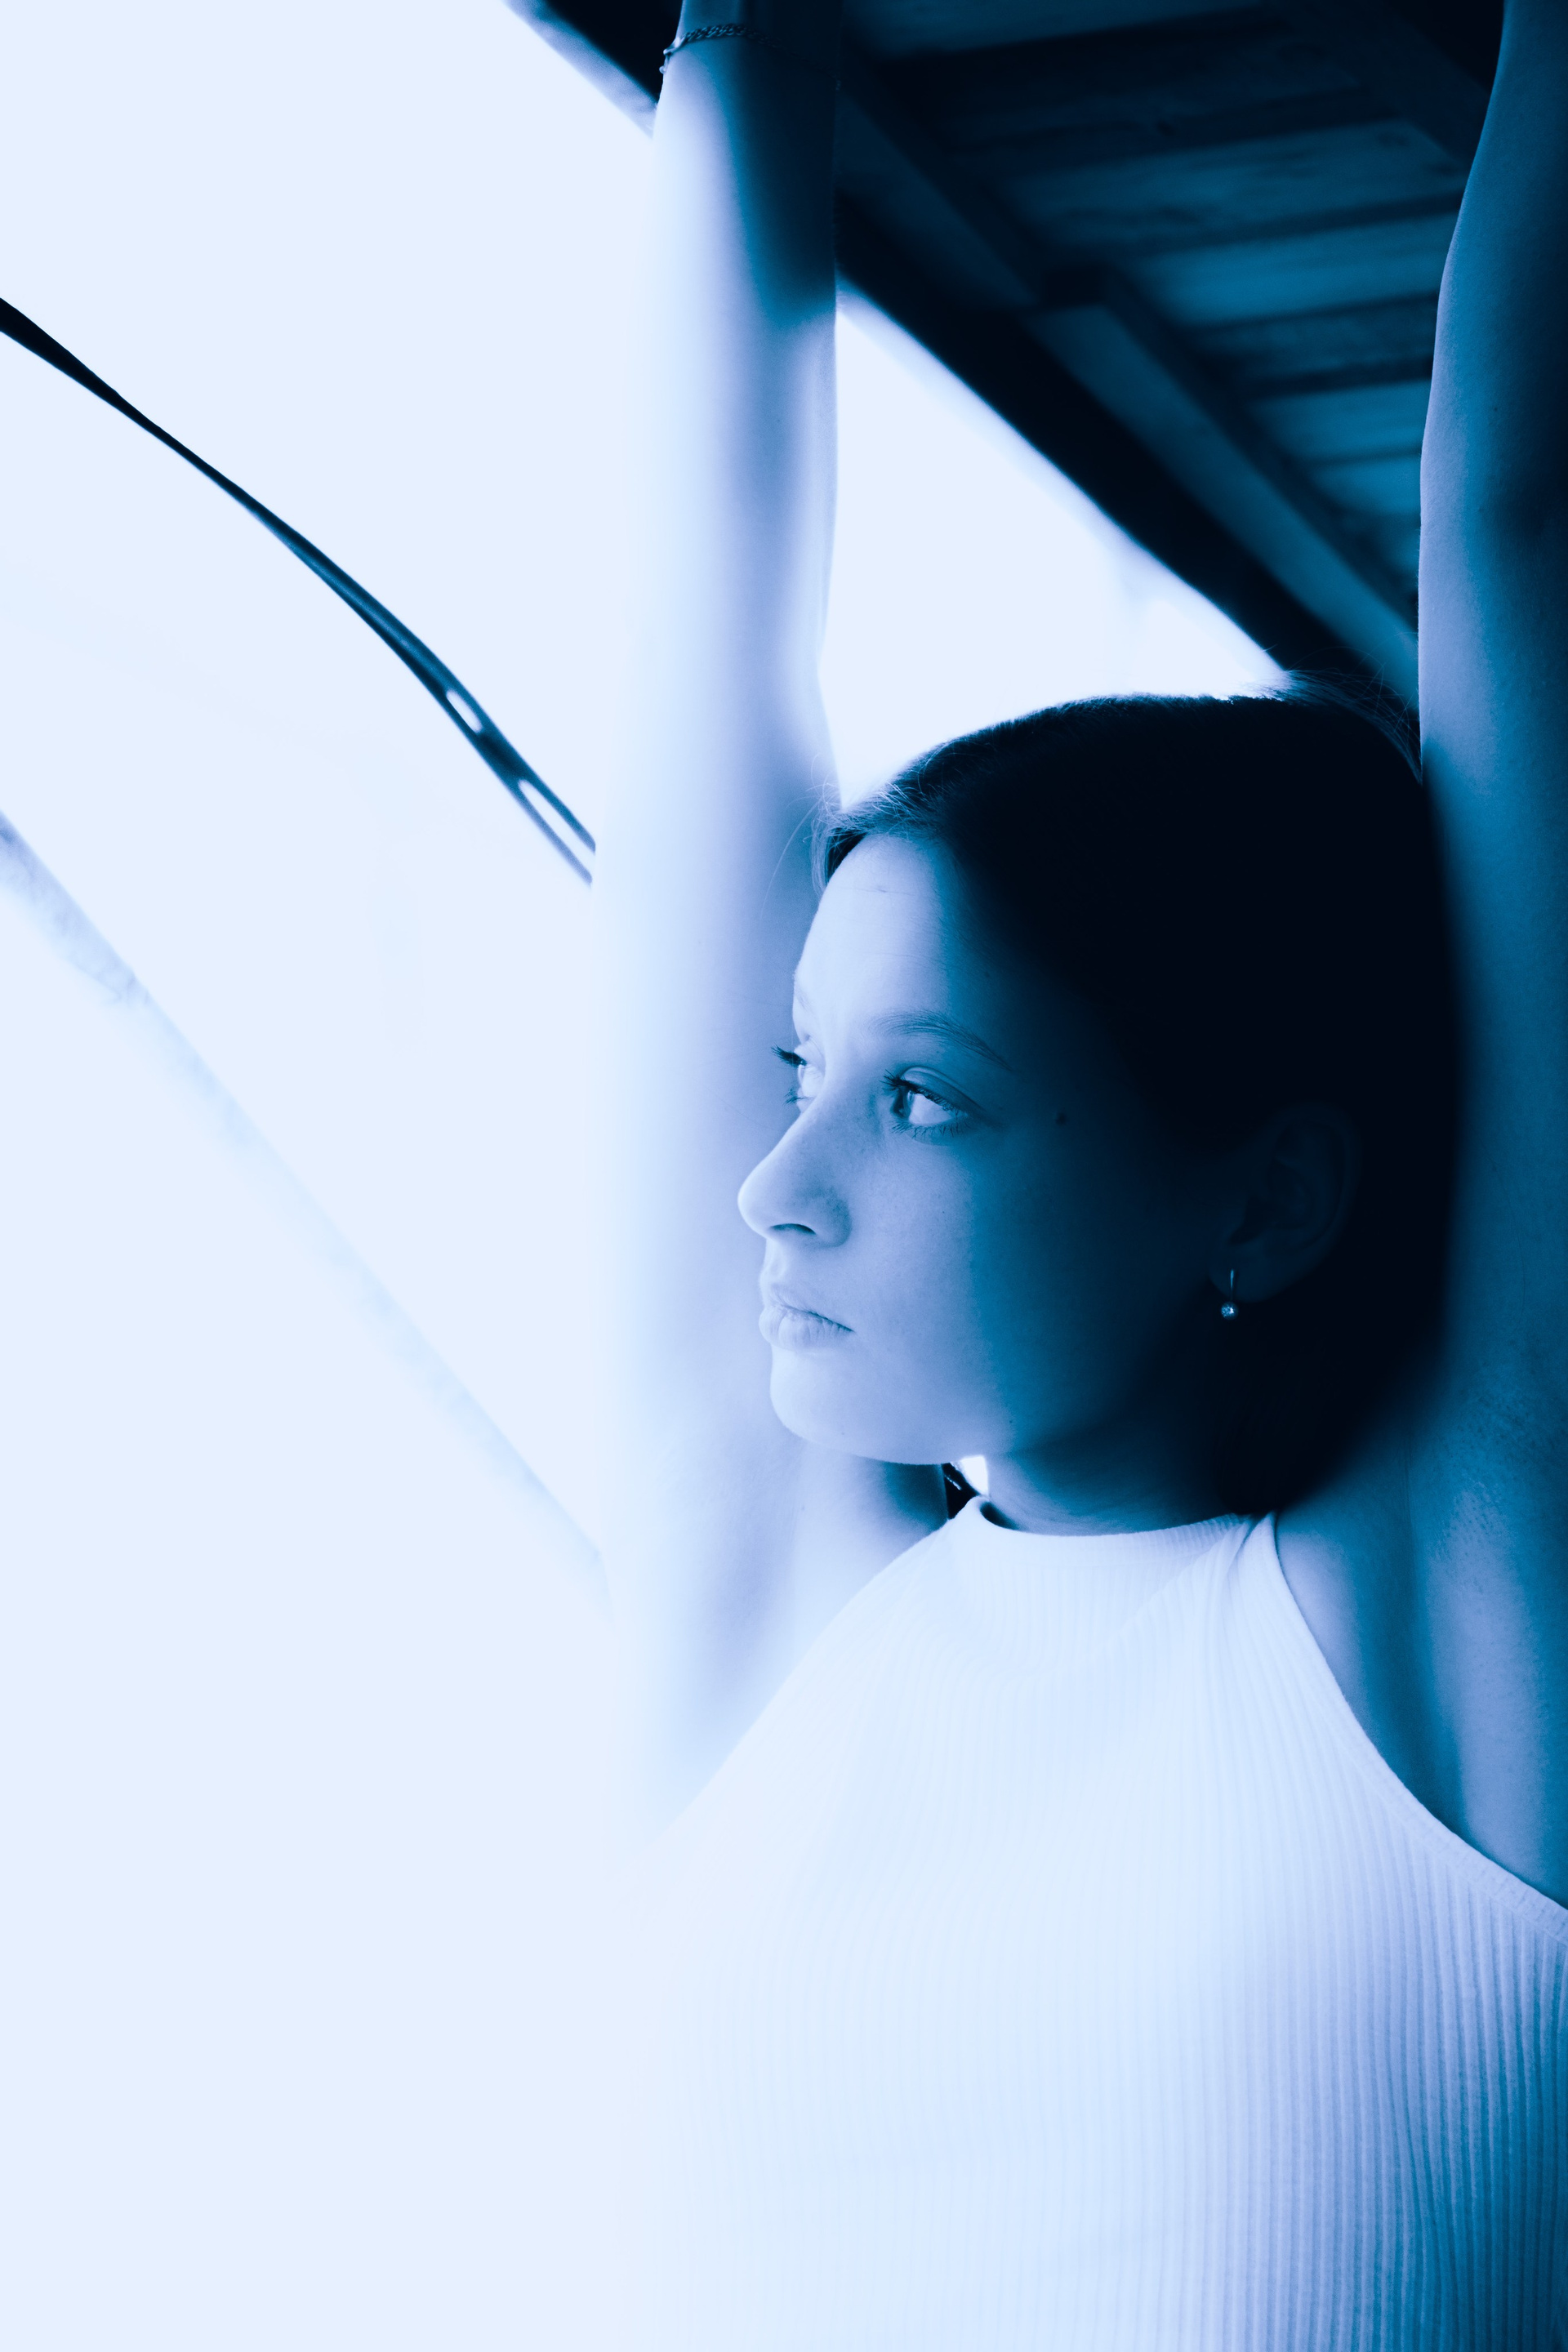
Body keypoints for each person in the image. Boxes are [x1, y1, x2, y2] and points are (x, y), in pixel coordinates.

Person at [586, 1, 1568, 2341]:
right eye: (803, 1067)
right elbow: (692, 654)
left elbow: (1517, 521)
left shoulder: (1446, 1634)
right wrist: (739, 46)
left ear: (1270, 1197)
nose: (775, 1182)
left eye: (923, 1097)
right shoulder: (775, 1588)